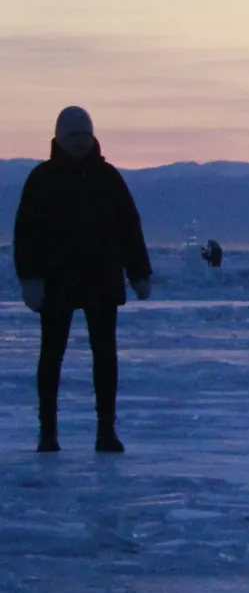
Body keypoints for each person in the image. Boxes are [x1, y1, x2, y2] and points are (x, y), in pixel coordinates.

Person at [13, 106, 151, 453]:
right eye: (73, 136)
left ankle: (106, 430)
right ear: (60, 138)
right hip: (56, 280)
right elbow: (26, 233)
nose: (80, 143)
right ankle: (48, 430)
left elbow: (129, 227)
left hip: (101, 278)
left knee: (104, 354)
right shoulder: (42, 178)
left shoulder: (108, 178)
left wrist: (139, 272)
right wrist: (29, 278)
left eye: (85, 136)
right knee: (52, 353)